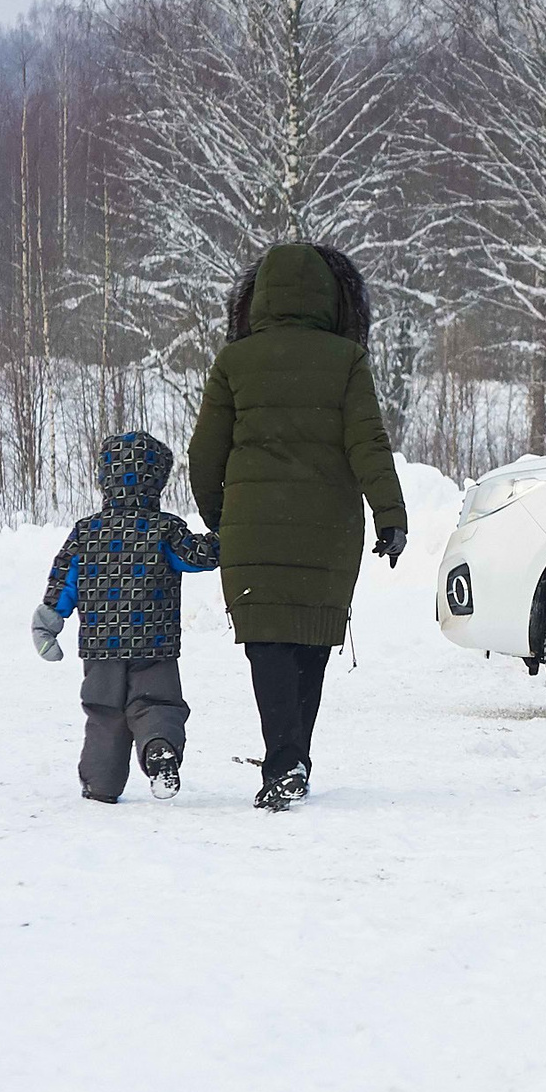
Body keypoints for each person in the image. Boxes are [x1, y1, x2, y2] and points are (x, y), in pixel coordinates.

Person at [188, 242, 408, 811]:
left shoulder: (234, 362)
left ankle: (284, 760)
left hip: (252, 533)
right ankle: (293, 758)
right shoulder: (346, 360)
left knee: (267, 647)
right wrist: (390, 514)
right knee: (311, 642)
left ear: (257, 297)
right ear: (335, 296)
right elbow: (370, 445)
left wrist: (223, 517)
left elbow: (204, 454)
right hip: (329, 531)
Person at [32, 432, 220, 803]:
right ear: (159, 481)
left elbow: (63, 580)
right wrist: (228, 536)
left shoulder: (85, 533)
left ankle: (101, 785)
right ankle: (159, 748)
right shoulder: (165, 528)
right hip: (155, 641)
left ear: (104, 479)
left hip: (101, 648)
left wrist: (49, 621)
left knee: (104, 714)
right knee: (158, 703)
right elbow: (199, 557)